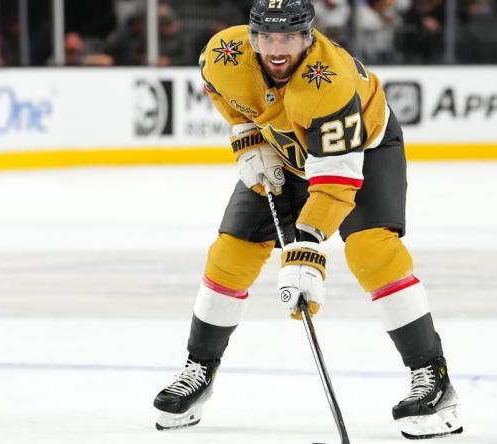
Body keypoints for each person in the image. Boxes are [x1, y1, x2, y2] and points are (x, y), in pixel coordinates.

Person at [153, 0, 462, 439]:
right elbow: (220, 91)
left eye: (290, 38)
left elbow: (334, 184)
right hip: (283, 148)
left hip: (363, 155)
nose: (278, 49)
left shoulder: (329, 81)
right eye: (268, 38)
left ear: (309, 37)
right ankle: (199, 369)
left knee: (372, 252)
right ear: (253, 37)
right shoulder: (226, 54)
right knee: (230, 253)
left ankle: (434, 379)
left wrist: (306, 249)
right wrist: (246, 136)